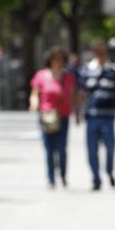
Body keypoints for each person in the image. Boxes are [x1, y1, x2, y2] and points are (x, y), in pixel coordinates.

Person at [78, 42, 115, 190]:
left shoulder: (114, 70)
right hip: (92, 115)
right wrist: (77, 112)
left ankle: (109, 171)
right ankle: (96, 178)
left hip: (108, 116)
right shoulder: (87, 70)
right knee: (92, 149)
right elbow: (81, 93)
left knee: (110, 147)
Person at [30, 46, 78, 189]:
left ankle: (62, 174)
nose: (57, 62)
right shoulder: (41, 75)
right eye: (55, 59)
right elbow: (34, 93)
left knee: (62, 148)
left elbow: (72, 96)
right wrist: (34, 104)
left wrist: (77, 113)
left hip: (62, 116)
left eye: (60, 60)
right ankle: (51, 178)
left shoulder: (68, 77)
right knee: (49, 149)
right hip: (46, 116)